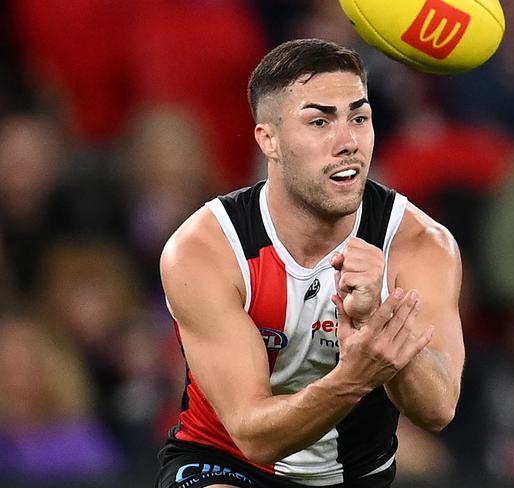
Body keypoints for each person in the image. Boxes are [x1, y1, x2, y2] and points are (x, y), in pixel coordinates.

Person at [156, 38, 465, 488]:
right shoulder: (205, 250)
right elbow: (253, 435)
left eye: (359, 118)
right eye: (320, 122)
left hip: (356, 473)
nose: (347, 142)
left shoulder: (420, 243)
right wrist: (353, 377)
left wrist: (382, 315)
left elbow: (438, 409)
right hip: (227, 463)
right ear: (270, 139)